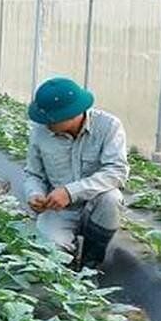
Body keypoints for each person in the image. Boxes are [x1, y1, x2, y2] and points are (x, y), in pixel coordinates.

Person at [24, 77, 129, 270]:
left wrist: (71, 192)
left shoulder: (108, 127)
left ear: (71, 114)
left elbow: (117, 171)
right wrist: (34, 194)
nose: (45, 123)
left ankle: (91, 263)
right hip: (59, 210)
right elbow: (33, 174)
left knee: (112, 199)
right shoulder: (40, 133)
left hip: (95, 205)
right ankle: (67, 270)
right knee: (49, 250)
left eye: (50, 119)